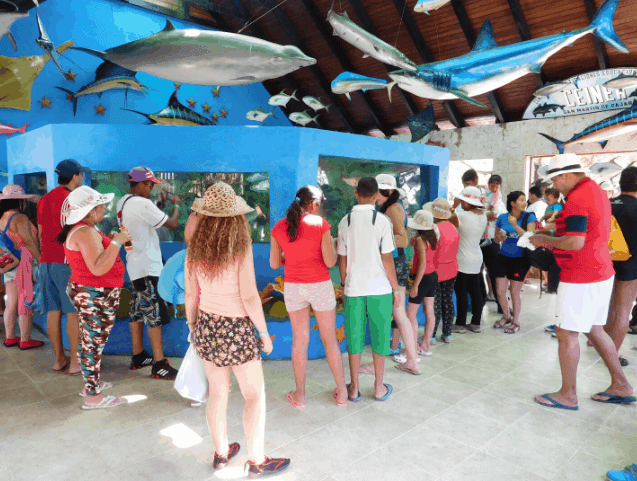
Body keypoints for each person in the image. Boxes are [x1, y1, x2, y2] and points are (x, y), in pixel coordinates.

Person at [184, 182, 290, 477]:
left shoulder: (193, 251)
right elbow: (248, 298)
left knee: (217, 394)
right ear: (235, 218)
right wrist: (265, 334)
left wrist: (194, 326)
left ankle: (220, 453)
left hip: (207, 324)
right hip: (237, 329)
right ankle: (256, 461)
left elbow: (191, 296)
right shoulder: (239, 249)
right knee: (254, 395)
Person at [530, 153, 635, 410]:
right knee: (596, 330)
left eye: (555, 180)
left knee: (566, 332)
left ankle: (568, 394)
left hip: (581, 274)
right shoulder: (596, 191)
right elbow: (584, 232)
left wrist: (544, 240)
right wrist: (552, 232)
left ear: (566, 175)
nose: (554, 186)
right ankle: (621, 385)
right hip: (601, 271)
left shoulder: (578, 198)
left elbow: (575, 243)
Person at [269, 185, 348, 408]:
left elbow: (275, 264)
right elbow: (331, 262)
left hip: (294, 288)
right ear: (313, 204)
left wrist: (292, 260)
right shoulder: (319, 224)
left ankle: (300, 396)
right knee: (330, 339)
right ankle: (342, 393)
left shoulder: (279, 227)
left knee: (300, 341)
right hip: (320, 286)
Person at [58, 186, 129, 409]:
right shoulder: (84, 232)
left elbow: (95, 256)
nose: (104, 209)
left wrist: (110, 241)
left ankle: (92, 383)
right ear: (90, 210)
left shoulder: (85, 230)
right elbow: (98, 268)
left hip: (91, 293)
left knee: (89, 341)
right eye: (101, 206)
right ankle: (93, 396)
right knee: (93, 343)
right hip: (94, 294)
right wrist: (117, 242)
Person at [337, 177, 401, 402]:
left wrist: (345, 284)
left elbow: (341, 259)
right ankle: (379, 386)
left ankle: (354, 388)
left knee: (354, 338)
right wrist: (396, 288)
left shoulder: (345, 221)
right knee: (380, 337)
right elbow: (388, 259)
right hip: (380, 288)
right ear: (376, 195)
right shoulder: (382, 221)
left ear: (356, 194)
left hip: (354, 289)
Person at [116, 167, 181, 380]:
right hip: (148, 267)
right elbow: (171, 224)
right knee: (154, 314)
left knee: (137, 311)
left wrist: (160, 204)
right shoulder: (141, 203)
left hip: (135, 266)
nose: (152, 188)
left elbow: (147, 220)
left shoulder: (123, 202)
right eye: (150, 185)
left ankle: (138, 355)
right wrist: (176, 206)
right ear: (141, 184)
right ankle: (159, 364)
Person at [38, 159, 88, 373]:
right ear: (76, 176)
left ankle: (59, 359)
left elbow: (41, 233)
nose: (83, 177)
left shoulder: (44, 199)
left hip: (45, 263)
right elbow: (78, 233)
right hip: (65, 263)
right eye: (81, 174)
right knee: (73, 313)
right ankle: (76, 363)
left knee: (53, 311)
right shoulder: (71, 200)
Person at [368, 174, 419, 373]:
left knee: (390, 313)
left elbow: (403, 240)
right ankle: (412, 361)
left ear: (387, 191)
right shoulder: (393, 207)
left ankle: (377, 364)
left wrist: (373, 241)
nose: (375, 197)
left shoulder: (392, 208)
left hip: (393, 264)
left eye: (378, 193)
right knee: (398, 313)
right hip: (396, 264)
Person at [0, 185, 43, 350]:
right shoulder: (19, 218)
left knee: (11, 302)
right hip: (23, 264)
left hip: (10, 263)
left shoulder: (3, 218)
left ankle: (10, 337)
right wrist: (41, 260)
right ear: (18, 201)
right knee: (25, 301)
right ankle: (25, 340)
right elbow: (28, 243)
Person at [604, 167, 637, 368]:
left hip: (604, 261)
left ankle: (602, 343)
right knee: (623, 309)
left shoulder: (608, 204)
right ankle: (612, 355)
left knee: (609, 307)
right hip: (630, 263)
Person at [493, 191, 536, 333]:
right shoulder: (502, 218)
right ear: (512, 203)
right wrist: (500, 238)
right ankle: (507, 316)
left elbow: (531, 237)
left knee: (514, 292)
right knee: (500, 291)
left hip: (521, 258)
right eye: (521, 200)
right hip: (503, 256)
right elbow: (496, 238)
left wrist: (516, 225)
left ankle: (516, 321)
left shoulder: (529, 217)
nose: (525, 202)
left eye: (525, 200)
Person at [449, 186, 487, 333]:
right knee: (476, 291)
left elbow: (446, 217)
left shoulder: (463, 216)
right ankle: (476, 323)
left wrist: (453, 206)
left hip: (462, 259)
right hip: (477, 257)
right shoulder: (482, 216)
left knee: (461, 292)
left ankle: (460, 325)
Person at [406, 210, 438, 357]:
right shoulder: (433, 238)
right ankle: (425, 345)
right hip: (433, 276)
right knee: (429, 311)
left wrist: (415, 285)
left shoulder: (420, 240)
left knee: (410, 315)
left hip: (423, 278)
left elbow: (422, 264)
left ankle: (412, 350)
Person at [428, 198, 459, 343]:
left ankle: (432, 335)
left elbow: (430, 251)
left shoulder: (435, 230)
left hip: (436, 271)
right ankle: (447, 334)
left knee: (436, 304)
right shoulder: (453, 227)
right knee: (448, 301)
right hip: (452, 269)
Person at [481, 175, 507, 314]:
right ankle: (478, 302)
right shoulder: (482, 193)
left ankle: (501, 305)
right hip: (480, 238)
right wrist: (485, 215)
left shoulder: (498, 198)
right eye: (492, 186)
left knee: (495, 272)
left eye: (497, 186)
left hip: (492, 239)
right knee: (477, 273)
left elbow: (499, 216)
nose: (495, 188)